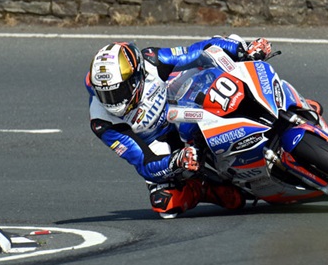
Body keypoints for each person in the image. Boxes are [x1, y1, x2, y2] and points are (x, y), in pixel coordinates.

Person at [86, 35, 276, 218]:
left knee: (219, 52)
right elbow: (144, 163)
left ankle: (270, 102)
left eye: (118, 91)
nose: (112, 102)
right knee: (164, 203)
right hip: (160, 143)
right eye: (105, 95)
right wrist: (176, 161)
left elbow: (197, 50)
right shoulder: (102, 123)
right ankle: (204, 187)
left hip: (183, 102)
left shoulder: (152, 59)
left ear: (136, 77)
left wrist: (243, 50)